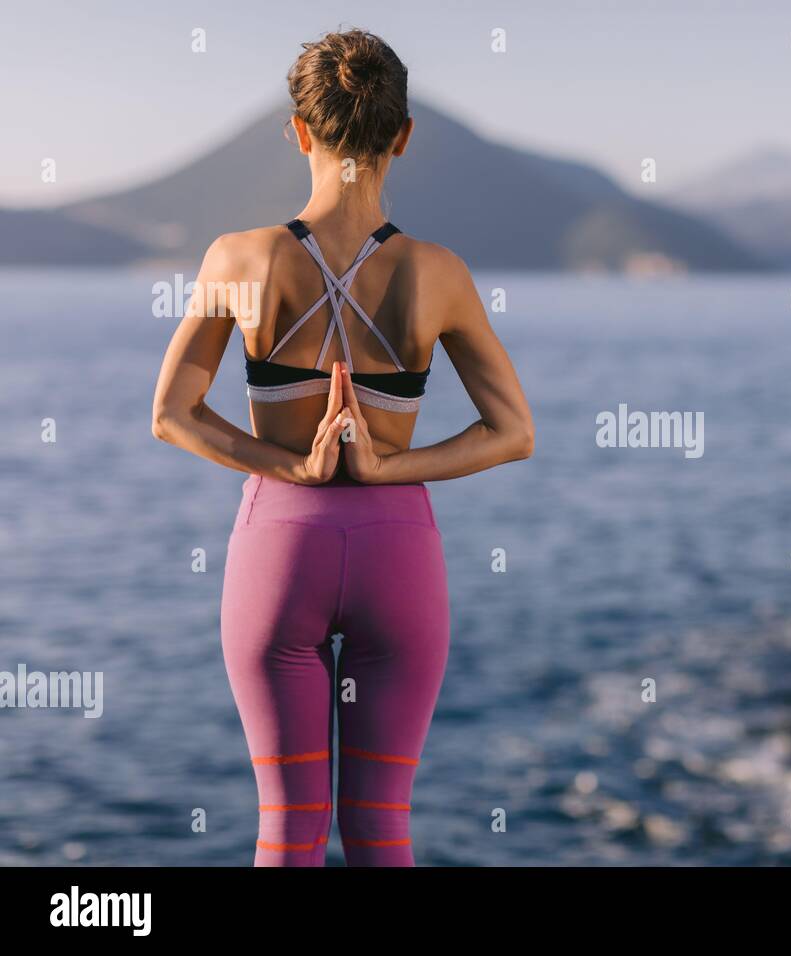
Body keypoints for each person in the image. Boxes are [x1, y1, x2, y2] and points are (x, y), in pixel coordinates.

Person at [151, 29, 533, 866]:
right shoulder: (439, 274)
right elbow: (513, 433)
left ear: (300, 131)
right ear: (402, 135)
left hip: (280, 546)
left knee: (288, 832)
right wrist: (393, 466)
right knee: (379, 828)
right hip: (398, 552)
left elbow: (173, 414)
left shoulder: (237, 258)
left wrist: (292, 466)